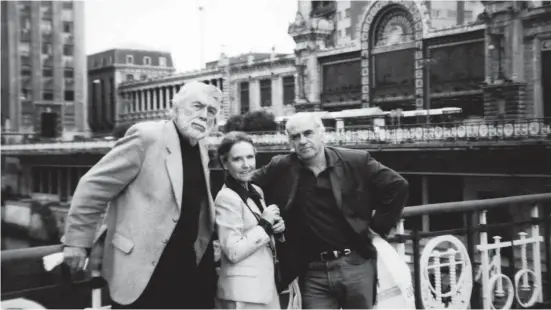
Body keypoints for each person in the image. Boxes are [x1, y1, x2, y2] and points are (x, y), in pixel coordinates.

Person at [62, 81, 222, 309]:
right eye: (197, 106)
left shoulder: (201, 144)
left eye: (212, 110)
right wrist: (76, 242)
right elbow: (93, 186)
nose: (205, 115)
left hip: (187, 266)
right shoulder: (147, 136)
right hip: (145, 269)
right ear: (174, 107)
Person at [252, 113, 409, 309]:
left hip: (355, 263)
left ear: (322, 134)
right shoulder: (281, 166)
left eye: (308, 133)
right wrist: (266, 216)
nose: (302, 141)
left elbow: (397, 186)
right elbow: (247, 186)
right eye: (295, 136)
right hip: (311, 271)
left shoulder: (355, 160)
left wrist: (378, 228)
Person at [214, 131, 285, 309]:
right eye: (238, 159)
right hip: (243, 293)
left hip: (263, 288)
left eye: (250, 157)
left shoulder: (256, 191)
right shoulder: (226, 198)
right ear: (224, 163)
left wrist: (277, 229)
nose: (246, 165)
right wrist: (265, 224)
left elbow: (259, 235)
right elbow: (233, 251)